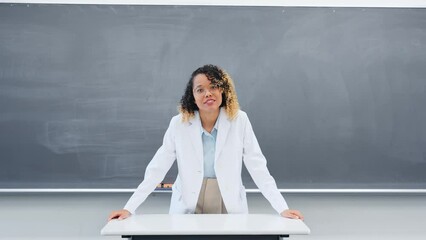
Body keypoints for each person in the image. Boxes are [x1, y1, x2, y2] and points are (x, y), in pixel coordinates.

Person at [108, 64, 304, 221]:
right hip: (188, 200)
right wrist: (129, 208)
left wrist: (282, 208)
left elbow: (258, 168)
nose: (207, 93)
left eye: (213, 87)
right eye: (200, 89)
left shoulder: (239, 120)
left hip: (227, 199)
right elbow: (157, 169)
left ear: (223, 90)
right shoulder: (179, 124)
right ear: (192, 97)